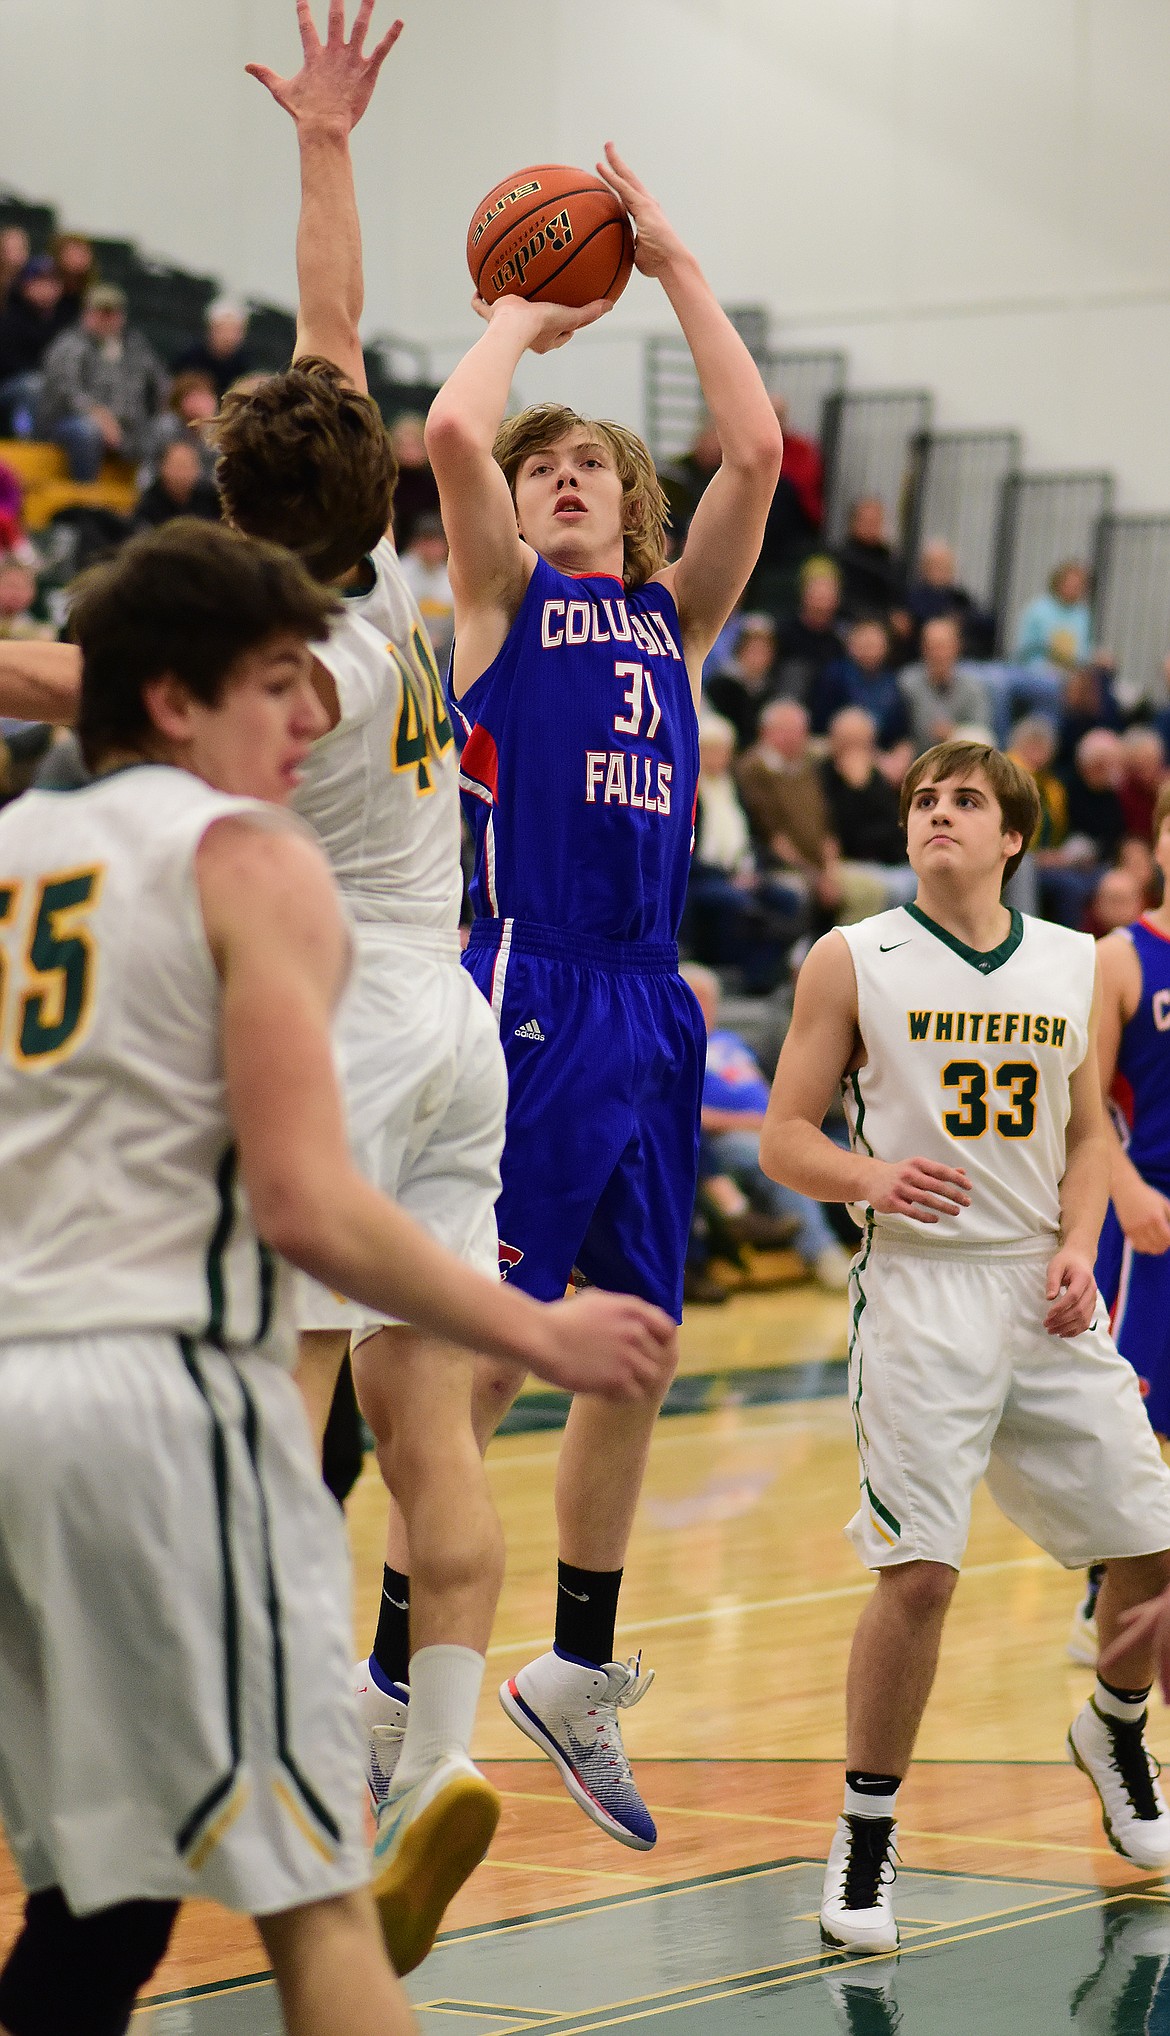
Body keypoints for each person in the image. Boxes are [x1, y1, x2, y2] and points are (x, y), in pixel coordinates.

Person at [0, 515, 672, 2036]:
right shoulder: (251, 862)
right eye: (273, 686)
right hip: (160, 1402)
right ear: (174, 699)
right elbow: (305, 1203)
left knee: (92, 1913)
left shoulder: (14, 854)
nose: (313, 718)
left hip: (11, 1400)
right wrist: (534, 1324)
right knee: (318, 1911)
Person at [218, 0, 536, 1970]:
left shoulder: (295, 660)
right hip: (462, 1019)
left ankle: (315, 1715)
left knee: (279, 1404)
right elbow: (335, 354)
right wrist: (330, 149)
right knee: (436, 1432)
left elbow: (97, 699)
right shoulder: (408, 586)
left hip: (347, 1021)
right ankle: (432, 1752)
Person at [426, 144, 784, 1851]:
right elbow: (446, 437)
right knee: (493, 1352)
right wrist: (519, 315)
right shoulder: (499, 605)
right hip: (536, 985)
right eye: (544, 468)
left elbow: (763, 451)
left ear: (636, 512)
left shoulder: (670, 617)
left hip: (652, 1002)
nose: (563, 477)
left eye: (590, 467)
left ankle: (574, 1665)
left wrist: (675, 260)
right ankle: (383, 1682)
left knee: (631, 1355)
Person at [759, 737, 1170, 1955]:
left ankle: (1111, 1724)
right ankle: (866, 1833)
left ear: (1014, 837)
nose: (940, 813)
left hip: (1042, 1287)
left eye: (967, 800)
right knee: (922, 1575)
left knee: (1152, 1550)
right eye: (924, 800)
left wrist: (1079, 1242)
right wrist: (870, 1169)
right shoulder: (851, 957)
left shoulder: (1060, 960)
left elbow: (1091, 1132)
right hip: (924, 1292)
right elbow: (785, 1136)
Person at [682, 964, 851, 1291]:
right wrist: (752, 1124)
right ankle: (823, 1255)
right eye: (696, 999)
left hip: (768, 1126)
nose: (705, 1008)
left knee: (844, 1154)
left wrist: (785, 1119)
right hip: (722, 1140)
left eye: (709, 1000)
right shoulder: (677, 1046)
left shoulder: (731, 1042)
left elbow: (767, 1091)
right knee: (782, 1160)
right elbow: (681, 1115)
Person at [735, 698, 886, 927]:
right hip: (784, 867)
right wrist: (817, 879)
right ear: (766, 732)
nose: (799, 737)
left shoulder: (807, 764)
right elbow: (773, 837)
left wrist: (830, 871)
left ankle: (853, 955)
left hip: (823, 866)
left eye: (801, 731)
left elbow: (826, 827)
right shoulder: (753, 770)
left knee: (871, 890)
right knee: (800, 895)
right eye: (790, 731)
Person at [37, 282, 170, 481]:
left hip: (130, 426)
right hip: (71, 422)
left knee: (166, 427)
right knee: (87, 431)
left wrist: (170, 408)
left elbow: (161, 383)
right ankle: (85, 496)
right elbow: (66, 390)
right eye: (100, 312)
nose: (106, 319)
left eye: (112, 313)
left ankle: (150, 497)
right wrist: (98, 415)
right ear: (86, 313)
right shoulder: (70, 344)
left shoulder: (136, 347)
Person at [897, 616, 993, 755]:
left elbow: (982, 730)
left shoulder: (973, 686)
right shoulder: (906, 682)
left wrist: (953, 733)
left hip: (958, 757)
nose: (938, 654)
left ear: (957, 647)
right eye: (932, 646)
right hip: (915, 757)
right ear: (923, 648)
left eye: (943, 646)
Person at [0, 256, 70, 436]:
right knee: (32, 385)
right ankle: (26, 439)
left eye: (51, 283)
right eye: (39, 282)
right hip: (10, 391)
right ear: (25, 285)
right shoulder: (9, 319)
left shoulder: (66, 321)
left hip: (52, 391)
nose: (46, 289)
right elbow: (9, 365)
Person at [704, 611, 780, 751]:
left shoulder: (772, 688)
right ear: (740, 650)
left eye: (764, 651)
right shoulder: (722, 684)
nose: (758, 657)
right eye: (753, 650)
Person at [1015, 560, 1093, 669]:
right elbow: (1025, 650)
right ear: (1058, 583)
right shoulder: (1037, 609)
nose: (1075, 589)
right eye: (1071, 584)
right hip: (1038, 671)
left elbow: (1085, 651)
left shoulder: (1082, 614)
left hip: (1072, 673)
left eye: (1079, 586)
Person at [131, 437, 221, 530]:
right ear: (162, 468)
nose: (182, 473)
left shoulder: (211, 497)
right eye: (177, 466)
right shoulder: (148, 504)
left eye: (187, 466)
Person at [176, 296, 254, 397]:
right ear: (210, 329)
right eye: (223, 329)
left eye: (235, 330)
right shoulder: (190, 359)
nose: (229, 337)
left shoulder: (246, 365)